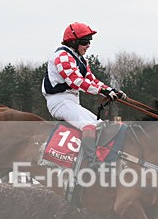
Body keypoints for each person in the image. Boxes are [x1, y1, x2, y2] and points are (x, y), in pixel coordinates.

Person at [41, 22, 126, 200]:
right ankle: (92, 164)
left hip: (71, 101)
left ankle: (97, 160)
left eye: (90, 42)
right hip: (59, 101)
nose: (88, 46)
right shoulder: (62, 57)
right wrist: (103, 91)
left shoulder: (79, 58)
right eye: (86, 42)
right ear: (73, 42)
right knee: (88, 124)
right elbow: (76, 82)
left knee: (100, 124)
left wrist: (111, 90)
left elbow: (91, 80)